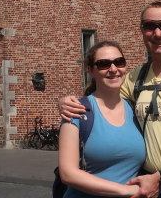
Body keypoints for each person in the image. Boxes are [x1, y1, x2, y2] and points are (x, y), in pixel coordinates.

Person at [60, 2, 161, 198]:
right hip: (152, 190)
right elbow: (103, 95)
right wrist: (64, 102)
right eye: (150, 26)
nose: (157, 33)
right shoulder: (134, 78)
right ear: (142, 32)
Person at [58, 41, 144, 197]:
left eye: (119, 62)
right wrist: (125, 190)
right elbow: (68, 173)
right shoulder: (78, 111)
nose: (113, 69)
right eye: (104, 64)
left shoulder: (135, 109)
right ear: (91, 70)